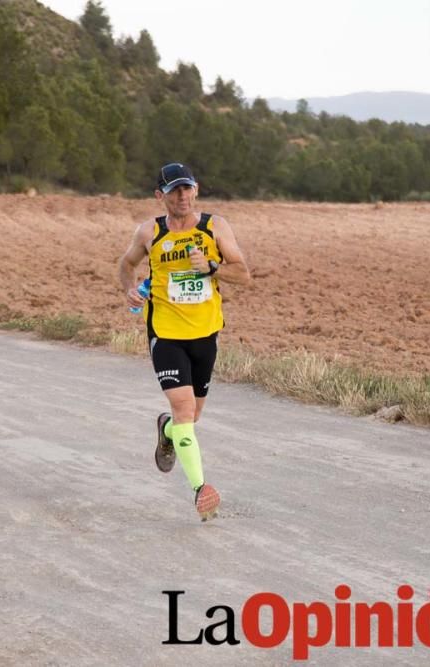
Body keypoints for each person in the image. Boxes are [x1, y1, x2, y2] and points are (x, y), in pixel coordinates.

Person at [118, 162, 251, 521]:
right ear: (159, 196)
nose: (182, 196)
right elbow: (126, 264)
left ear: (197, 189)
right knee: (184, 411)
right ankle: (200, 489)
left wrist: (211, 267)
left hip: (205, 334)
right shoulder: (149, 232)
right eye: (174, 190)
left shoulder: (215, 227)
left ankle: (166, 430)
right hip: (166, 334)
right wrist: (129, 290)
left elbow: (244, 273)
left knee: (191, 417)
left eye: (187, 188)